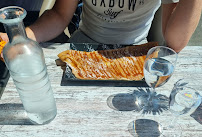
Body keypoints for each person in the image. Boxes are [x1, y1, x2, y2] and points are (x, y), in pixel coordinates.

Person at [0, 0, 202, 52]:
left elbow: (175, 42)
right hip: (81, 48)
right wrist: (21, 37)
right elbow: (60, 15)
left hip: (135, 52)